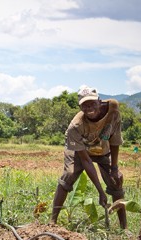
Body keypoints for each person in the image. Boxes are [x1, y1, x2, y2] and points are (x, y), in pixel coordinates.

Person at [51, 85, 127, 229]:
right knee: (69, 174)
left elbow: (115, 140)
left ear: (99, 101)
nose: (89, 108)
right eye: (85, 105)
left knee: (116, 180)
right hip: (81, 150)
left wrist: (114, 168)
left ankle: (124, 228)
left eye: (92, 103)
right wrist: (100, 191)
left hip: (102, 147)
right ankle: (52, 222)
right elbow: (86, 160)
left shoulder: (113, 111)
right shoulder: (75, 126)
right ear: (80, 107)